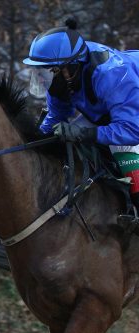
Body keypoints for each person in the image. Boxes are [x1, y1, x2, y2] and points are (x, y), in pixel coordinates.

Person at [23, 19, 139, 231]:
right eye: (37, 73)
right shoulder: (64, 77)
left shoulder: (112, 74)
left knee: (124, 151)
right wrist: (35, 142)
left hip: (132, 117)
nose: (40, 80)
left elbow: (133, 130)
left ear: (68, 69)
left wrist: (88, 133)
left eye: (44, 73)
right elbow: (57, 115)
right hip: (110, 110)